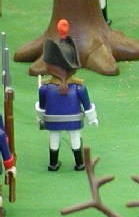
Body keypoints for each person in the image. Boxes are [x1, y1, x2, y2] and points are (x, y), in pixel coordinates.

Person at [36, 20, 98, 172]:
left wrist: (41, 118)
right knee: (75, 137)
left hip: (53, 120)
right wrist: (92, 118)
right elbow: (87, 105)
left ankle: (53, 164)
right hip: (73, 119)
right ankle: (79, 163)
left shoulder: (45, 88)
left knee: (54, 138)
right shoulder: (79, 88)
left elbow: (42, 108)